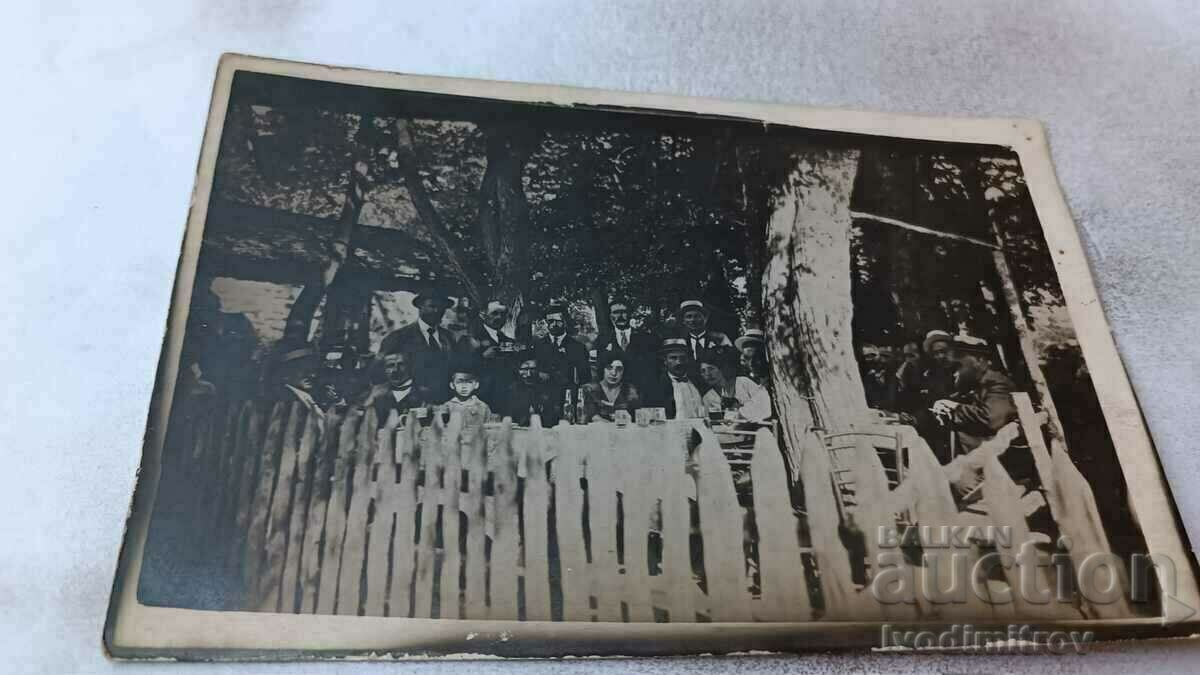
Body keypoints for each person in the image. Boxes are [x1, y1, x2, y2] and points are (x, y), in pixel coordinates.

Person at [378, 289, 456, 403]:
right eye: (432, 306)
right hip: (410, 404)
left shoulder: (449, 338)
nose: (437, 311)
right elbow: (381, 373)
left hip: (443, 403)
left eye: (442, 308)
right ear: (420, 306)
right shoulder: (398, 337)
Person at [456, 299, 517, 408]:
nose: (499, 317)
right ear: (483, 315)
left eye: (503, 314)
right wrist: (483, 357)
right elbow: (460, 369)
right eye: (495, 313)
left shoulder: (509, 341)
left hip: (506, 400)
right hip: (479, 400)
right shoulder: (468, 339)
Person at [593, 298, 660, 393]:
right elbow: (599, 370)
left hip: (642, 393)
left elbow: (653, 369)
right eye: (616, 312)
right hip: (614, 394)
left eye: (624, 312)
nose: (620, 316)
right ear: (610, 316)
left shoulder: (647, 339)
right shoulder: (602, 341)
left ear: (630, 314)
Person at [696, 347, 770, 422]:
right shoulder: (708, 398)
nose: (708, 374)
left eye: (711, 369)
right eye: (703, 371)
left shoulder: (743, 382)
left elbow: (764, 406)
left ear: (720, 368)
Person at [533, 304, 590, 400]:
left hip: (569, 398)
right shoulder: (537, 346)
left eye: (558, 321)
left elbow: (585, 377)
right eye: (550, 321)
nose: (554, 324)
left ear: (565, 321)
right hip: (543, 397)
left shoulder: (578, 347)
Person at [645, 338, 706, 420]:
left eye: (682, 358)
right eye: (673, 358)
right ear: (665, 361)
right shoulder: (656, 387)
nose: (679, 362)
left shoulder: (698, 383)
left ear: (687, 360)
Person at [364, 348, 428, 424]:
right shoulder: (377, 393)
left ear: (409, 366)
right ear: (384, 369)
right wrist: (369, 401)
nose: (395, 369)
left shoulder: (424, 394)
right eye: (390, 365)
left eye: (401, 364)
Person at [581, 352, 642, 422]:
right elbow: (591, 416)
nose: (614, 373)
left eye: (619, 369)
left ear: (624, 371)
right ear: (602, 368)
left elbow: (637, 416)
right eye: (609, 368)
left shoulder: (631, 390)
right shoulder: (589, 389)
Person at [502, 354, 560, 427]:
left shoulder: (546, 389)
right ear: (518, 370)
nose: (529, 374)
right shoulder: (512, 390)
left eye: (533, 369)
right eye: (525, 369)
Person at [444, 355, 493, 424]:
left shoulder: (483, 407)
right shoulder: (447, 407)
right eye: (459, 382)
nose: (464, 386)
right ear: (452, 385)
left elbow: (489, 428)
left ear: (476, 385)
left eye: (469, 382)